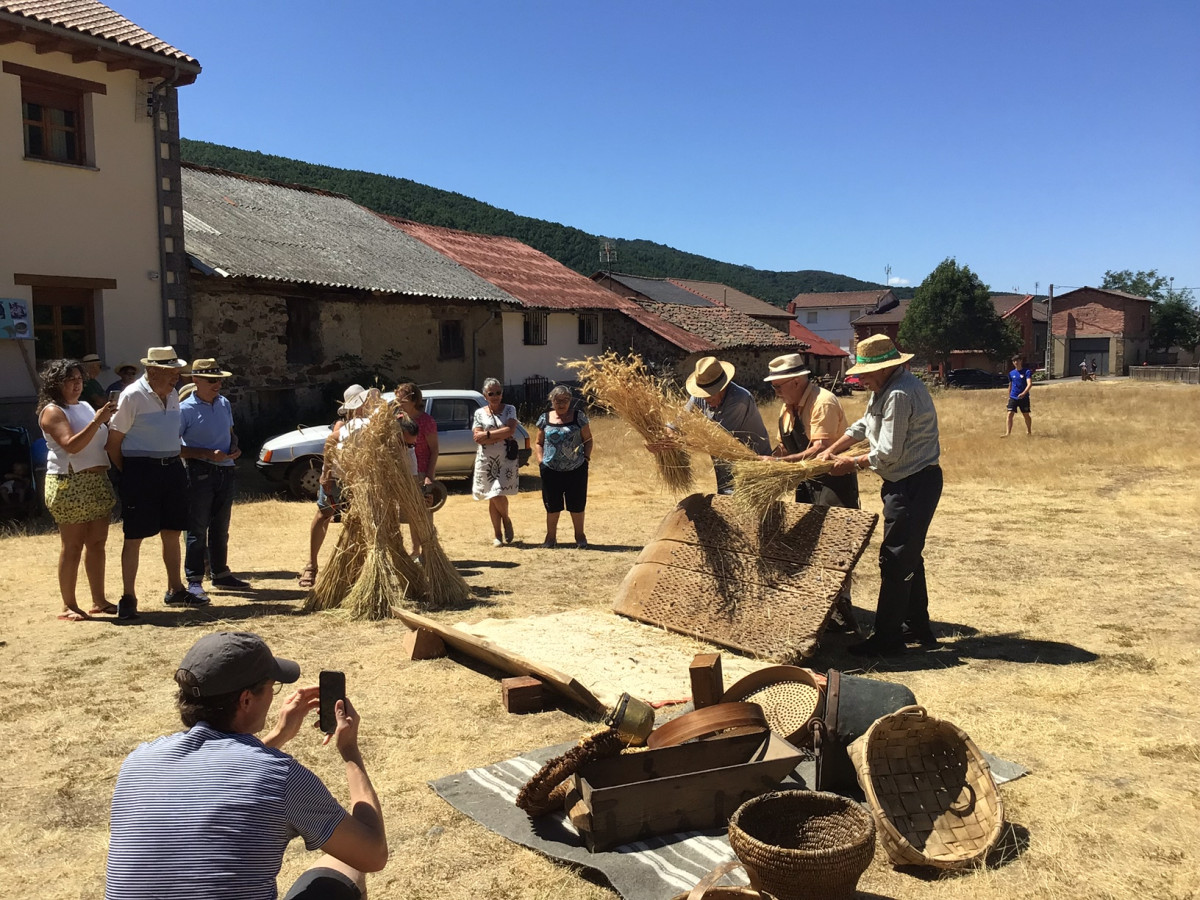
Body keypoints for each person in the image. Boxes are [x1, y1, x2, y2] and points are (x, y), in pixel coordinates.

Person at [105, 631, 387, 899]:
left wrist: (278, 735)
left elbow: (222, 777)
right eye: (271, 687)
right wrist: (350, 751)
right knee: (343, 868)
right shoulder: (279, 775)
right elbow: (372, 853)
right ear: (246, 700)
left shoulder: (138, 762)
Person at [819, 335, 942, 657]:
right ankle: (918, 629)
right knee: (908, 556)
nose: (860, 379)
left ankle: (889, 638)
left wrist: (852, 463)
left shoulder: (899, 394)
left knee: (896, 558)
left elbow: (887, 452)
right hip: (904, 482)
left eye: (865, 373)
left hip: (913, 483)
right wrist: (832, 449)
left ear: (885, 368)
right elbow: (863, 425)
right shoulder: (886, 389)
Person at [761, 353, 860, 631]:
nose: (776, 392)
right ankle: (817, 603)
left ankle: (842, 606)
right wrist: (765, 463)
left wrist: (779, 464)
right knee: (808, 543)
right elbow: (783, 446)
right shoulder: (787, 408)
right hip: (806, 482)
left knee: (836, 544)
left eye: (778, 386)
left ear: (795, 382)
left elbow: (819, 449)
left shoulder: (823, 403)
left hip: (833, 482)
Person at [105, 346, 201, 618]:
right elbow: (113, 443)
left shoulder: (172, 394)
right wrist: (131, 474)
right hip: (141, 470)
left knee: (172, 531)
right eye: (171, 373)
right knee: (134, 536)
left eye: (177, 373)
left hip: (171, 468)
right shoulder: (132, 395)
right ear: (153, 372)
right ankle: (128, 597)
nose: (177, 379)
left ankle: (176, 589)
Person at [37, 358, 118, 621]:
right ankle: (69, 605)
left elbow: (100, 441)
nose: (76, 385)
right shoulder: (52, 411)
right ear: (55, 384)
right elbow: (71, 445)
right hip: (69, 482)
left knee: (97, 543)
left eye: (79, 380)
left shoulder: (83, 405)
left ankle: (99, 600)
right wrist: (97, 420)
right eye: (70, 380)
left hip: (96, 480)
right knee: (72, 546)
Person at [180, 358, 250, 598]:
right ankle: (194, 579)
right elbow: (173, 447)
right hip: (198, 471)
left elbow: (230, 433)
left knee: (221, 527)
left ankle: (220, 573)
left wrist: (235, 447)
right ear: (195, 380)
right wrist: (207, 453)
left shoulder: (224, 403)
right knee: (197, 528)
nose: (217, 384)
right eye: (211, 380)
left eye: (219, 379)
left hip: (225, 470)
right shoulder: (185, 409)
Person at [299, 385, 366, 589]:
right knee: (323, 514)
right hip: (337, 478)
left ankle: (356, 569)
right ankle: (311, 566)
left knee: (360, 522)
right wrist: (326, 475)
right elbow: (330, 444)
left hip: (361, 480)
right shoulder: (341, 426)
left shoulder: (372, 422)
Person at [681, 356, 771, 493]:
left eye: (710, 393)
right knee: (726, 504)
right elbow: (678, 422)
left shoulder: (739, 399)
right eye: (702, 393)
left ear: (723, 387)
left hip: (753, 468)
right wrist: (665, 439)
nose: (706, 398)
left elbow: (720, 440)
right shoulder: (700, 396)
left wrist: (683, 441)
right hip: (725, 468)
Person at [535, 385, 593, 549]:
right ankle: (550, 537)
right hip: (550, 469)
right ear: (551, 401)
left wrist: (586, 458)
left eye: (565, 400)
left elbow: (588, 440)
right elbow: (538, 442)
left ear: (570, 401)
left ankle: (580, 536)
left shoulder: (579, 417)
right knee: (552, 505)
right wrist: (541, 461)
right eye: (558, 400)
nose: (561, 404)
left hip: (576, 468)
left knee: (577, 503)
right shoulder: (544, 418)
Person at [472, 377, 519, 546]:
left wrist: (489, 435)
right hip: (486, 460)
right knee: (492, 495)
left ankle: (506, 520)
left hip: (505, 458)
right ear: (485, 395)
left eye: (498, 392)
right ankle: (498, 535)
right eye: (491, 393)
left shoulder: (510, 409)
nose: (495, 396)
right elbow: (477, 437)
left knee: (498, 492)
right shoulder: (479, 413)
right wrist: (500, 434)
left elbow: (511, 429)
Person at [395, 383, 438, 559]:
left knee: (424, 514)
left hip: (421, 472)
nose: (398, 403)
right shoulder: (398, 419)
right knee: (411, 514)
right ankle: (415, 549)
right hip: (405, 472)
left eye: (402, 400)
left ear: (413, 400)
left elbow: (434, 449)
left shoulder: (426, 421)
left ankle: (429, 551)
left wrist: (429, 476)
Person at [1004, 355, 1033, 437]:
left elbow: (1030, 384)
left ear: (1021, 361)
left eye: (1017, 360)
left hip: (1024, 397)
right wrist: (1009, 397)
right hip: (1013, 397)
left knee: (1026, 414)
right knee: (1009, 413)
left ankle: (1029, 431)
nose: (1016, 362)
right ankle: (1008, 433)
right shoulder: (1011, 373)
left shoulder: (1026, 372)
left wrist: (1024, 393)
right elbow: (1010, 385)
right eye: (1014, 361)